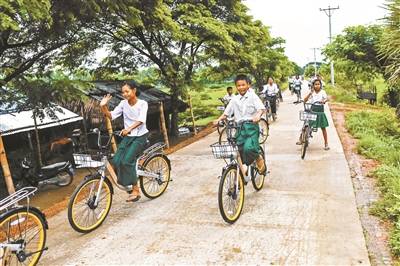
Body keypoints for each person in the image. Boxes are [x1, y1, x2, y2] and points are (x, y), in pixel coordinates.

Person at [100, 81, 149, 202]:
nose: (125, 94)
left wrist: (128, 129)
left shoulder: (143, 103)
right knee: (116, 161)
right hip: (128, 136)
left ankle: (136, 190)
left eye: (127, 91)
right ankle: (128, 184)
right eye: (123, 92)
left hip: (140, 135)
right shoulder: (123, 104)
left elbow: (141, 120)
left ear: (134, 90)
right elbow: (111, 116)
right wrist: (103, 106)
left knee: (127, 161)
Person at [214, 74, 266, 174]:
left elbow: (261, 109)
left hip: (251, 127)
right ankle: (240, 173)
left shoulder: (252, 97)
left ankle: (258, 157)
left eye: (243, 85)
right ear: (236, 87)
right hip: (239, 128)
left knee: (249, 148)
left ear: (248, 85)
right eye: (238, 85)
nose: (241, 87)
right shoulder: (234, 99)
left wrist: (258, 115)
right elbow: (226, 113)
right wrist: (219, 119)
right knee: (238, 150)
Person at [299, 78, 330, 150]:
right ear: (313, 85)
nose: (317, 86)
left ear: (320, 85)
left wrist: (324, 100)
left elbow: (327, 98)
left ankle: (326, 143)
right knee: (305, 124)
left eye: (318, 84)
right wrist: (310, 93)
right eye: (315, 84)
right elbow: (305, 100)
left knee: (323, 127)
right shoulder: (311, 92)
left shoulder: (323, 92)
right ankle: (301, 138)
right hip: (312, 110)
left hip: (320, 111)